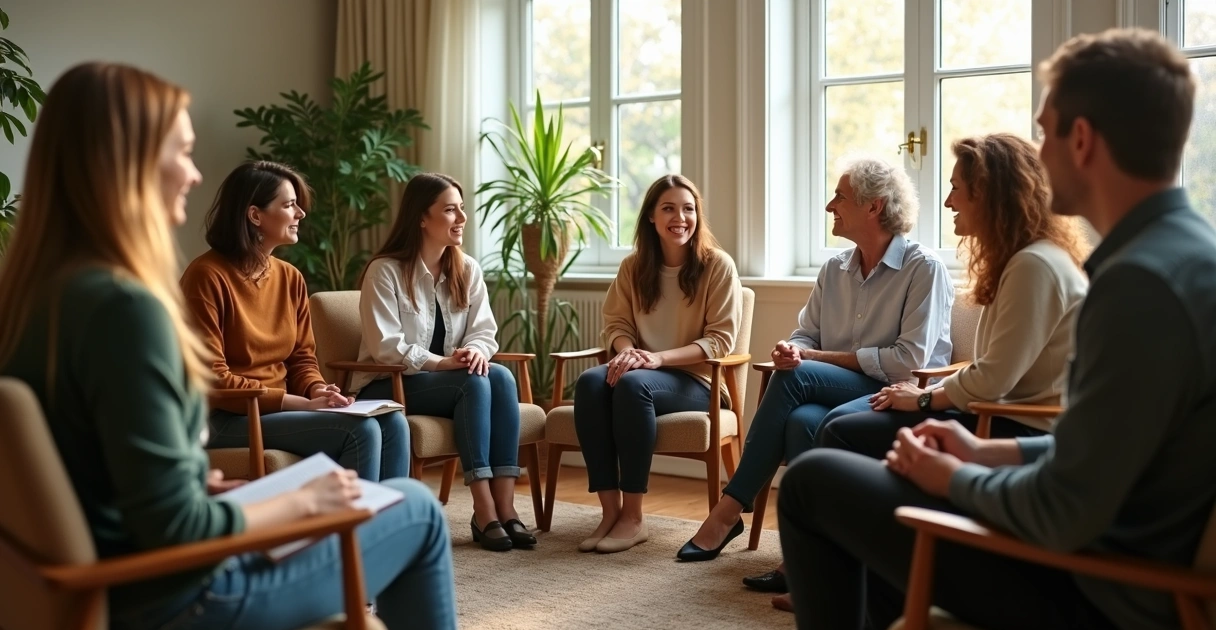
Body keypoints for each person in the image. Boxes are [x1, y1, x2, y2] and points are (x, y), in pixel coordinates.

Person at [778, 28, 1216, 630]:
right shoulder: (1185, 257)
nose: (1039, 152)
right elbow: (1105, 452)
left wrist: (952, 478)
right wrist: (985, 452)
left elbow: (1063, 509)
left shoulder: (1137, 285)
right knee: (869, 484)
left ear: (1082, 139)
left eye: (1045, 132)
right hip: (1107, 548)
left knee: (811, 483)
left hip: (1098, 591)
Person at [0, 62, 456, 630]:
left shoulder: (33, 296)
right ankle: (356, 574)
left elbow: (97, 471)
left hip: (117, 584)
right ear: (128, 163)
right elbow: (179, 528)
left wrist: (202, 487)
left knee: (384, 465)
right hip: (178, 599)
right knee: (416, 508)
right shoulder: (126, 309)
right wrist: (302, 503)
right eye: (184, 152)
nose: (194, 175)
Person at [681, 157, 954, 565]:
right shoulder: (834, 269)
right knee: (801, 419)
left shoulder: (923, 269)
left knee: (797, 378)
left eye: (840, 197)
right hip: (842, 389)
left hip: (899, 394)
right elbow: (805, 335)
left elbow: (906, 362)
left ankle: (729, 510)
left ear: (874, 206)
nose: (830, 206)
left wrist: (809, 357)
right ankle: (807, 556)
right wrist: (792, 349)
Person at [817, 133, 1089, 460]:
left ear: (988, 194)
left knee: (841, 431)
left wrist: (922, 398)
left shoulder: (1033, 266)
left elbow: (992, 380)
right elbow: (989, 372)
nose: (948, 202)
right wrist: (928, 392)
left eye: (955, 188)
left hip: (1017, 428)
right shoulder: (1025, 261)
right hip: (995, 413)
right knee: (840, 425)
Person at [180, 161, 410, 482]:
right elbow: (212, 378)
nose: (301, 213)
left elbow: (302, 359)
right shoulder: (206, 276)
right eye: (289, 205)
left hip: (279, 409)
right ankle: (353, 516)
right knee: (360, 430)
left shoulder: (290, 277)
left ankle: (390, 515)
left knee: (394, 423)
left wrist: (318, 389)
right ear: (255, 215)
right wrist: (298, 403)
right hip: (224, 418)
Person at [353, 172, 535, 552]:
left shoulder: (466, 268)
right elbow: (386, 346)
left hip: (445, 382)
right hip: (388, 384)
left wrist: (475, 352)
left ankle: (506, 507)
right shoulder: (385, 271)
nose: (462, 218)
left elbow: (484, 331)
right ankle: (483, 509)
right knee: (473, 381)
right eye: (451, 210)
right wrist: (441, 363)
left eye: (462, 209)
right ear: (422, 217)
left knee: (500, 377)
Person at [575, 174, 741, 554]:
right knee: (589, 383)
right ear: (651, 215)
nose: (680, 218)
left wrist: (656, 358)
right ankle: (611, 512)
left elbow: (720, 340)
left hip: (698, 381)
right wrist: (628, 352)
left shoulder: (718, 266)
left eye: (688, 209)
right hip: (643, 371)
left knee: (633, 386)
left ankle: (634, 518)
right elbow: (616, 325)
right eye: (668, 208)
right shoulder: (634, 267)